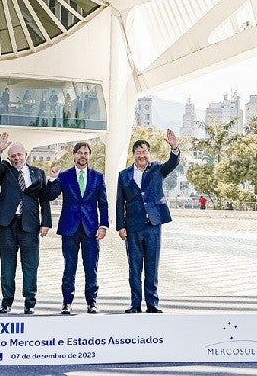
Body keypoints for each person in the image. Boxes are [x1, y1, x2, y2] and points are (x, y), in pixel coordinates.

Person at [116, 130, 180, 314]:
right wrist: (120, 226)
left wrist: (174, 147)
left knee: (152, 266)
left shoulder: (157, 169)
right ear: (133, 155)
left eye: (144, 152)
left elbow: (173, 163)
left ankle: (152, 304)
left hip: (153, 225)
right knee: (134, 267)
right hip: (132, 227)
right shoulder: (124, 175)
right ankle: (135, 304)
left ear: (148, 154)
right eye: (138, 152)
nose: (141, 155)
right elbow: (120, 202)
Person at [0, 132, 51, 315]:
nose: (16, 158)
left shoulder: (38, 173)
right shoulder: (5, 171)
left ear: (26, 155)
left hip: (30, 226)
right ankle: (6, 301)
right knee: (7, 265)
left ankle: (29, 301)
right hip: (8, 224)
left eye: (19, 155)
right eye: (13, 156)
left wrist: (45, 222)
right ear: (9, 158)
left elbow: (44, 199)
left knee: (30, 265)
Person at [47, 141, 108, 315]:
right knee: (69, 267)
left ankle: (92, 302)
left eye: (86, 153)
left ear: (89, 155)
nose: (83, 156)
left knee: (91, 267)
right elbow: (51, 196)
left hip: (91, 229)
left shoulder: (97, 176)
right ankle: (67, 302)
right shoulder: (64, 176)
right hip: (69, 228)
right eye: (80, 153)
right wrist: (52, 178)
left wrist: (103, 225)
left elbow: (103, 204)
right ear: (74, 155)